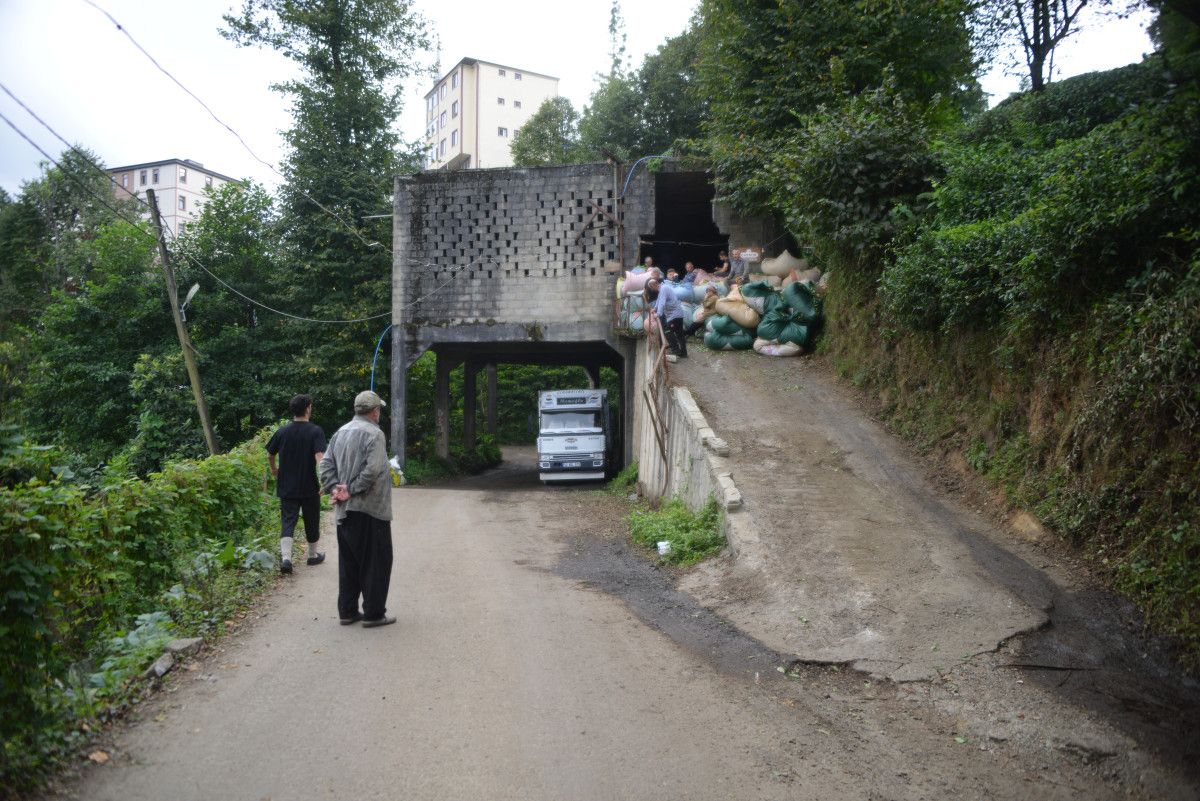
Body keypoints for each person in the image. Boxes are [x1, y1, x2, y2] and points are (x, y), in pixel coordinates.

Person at [319, 390, 395, 628]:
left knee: (349, 562)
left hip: (344, 510)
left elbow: (325, 464)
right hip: (371, 508)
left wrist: (334, 488)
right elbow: (373, 470)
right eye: (379, 409)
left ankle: (348, 611)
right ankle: (373, 614)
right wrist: (350, 489)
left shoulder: (340, 432)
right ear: (374, 411)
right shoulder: (375, 434)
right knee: (376, 561)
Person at [267, 394, 327, 575]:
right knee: (312, 519)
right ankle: (312, 555)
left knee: (288, 520)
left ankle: (286, 559)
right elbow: (320, 459)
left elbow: (270, 454)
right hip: (309, 486)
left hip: (287, 486)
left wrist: (274, 469)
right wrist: (325, 480)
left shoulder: (282, 431)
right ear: (308, 408)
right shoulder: (316, 431)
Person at [645, 277, 687, 360]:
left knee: (667, 331)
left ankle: (676, 350)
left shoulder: (663, 289)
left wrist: (658, 313)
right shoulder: (662, 288)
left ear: (654, 285)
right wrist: (655, 308)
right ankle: (683, 353)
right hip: (677, 314)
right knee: (679, 334)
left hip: (674, 315)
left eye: (651, 288)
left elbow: (662, 302)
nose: (652, 290)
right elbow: (659, 301)